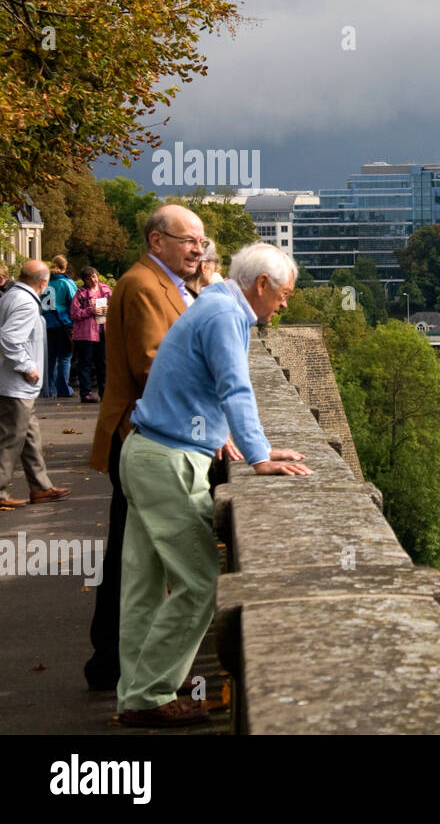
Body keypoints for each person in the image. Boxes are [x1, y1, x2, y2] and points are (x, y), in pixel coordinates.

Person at [116, 243, 311, 727]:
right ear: (261, 285)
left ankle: (139, 689)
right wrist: (260, 455)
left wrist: (225, 434)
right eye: (283, 294)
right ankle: (151, 694)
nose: (284, 305)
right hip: (169, 461)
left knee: (144, 586)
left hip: (146, 450)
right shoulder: (226, 314)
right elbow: (234, 386)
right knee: (201, 582)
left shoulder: (214, 303)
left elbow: (194, 382)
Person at [83, 204, 209, 691]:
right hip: (142, 434)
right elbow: (155, 365)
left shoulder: (167, 284)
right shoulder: (142, 286)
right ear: (157, 241)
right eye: (187, 240)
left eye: (201, 241)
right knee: (134, 559)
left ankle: (112, 660)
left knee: (133, 557)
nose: (198, 248)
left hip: (150, 433)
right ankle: (116, 662)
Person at [0, 261, 72, 507]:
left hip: (13, 384)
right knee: (11, 438)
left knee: (29, 436)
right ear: (43, 282)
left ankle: (40, 486)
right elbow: (10, 339)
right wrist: (27, 367)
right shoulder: (26, 302)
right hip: (15, 384)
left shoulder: (13, 296)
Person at [70, 266, 112, 403]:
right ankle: (86, 393)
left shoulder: (106, 290)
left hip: (103, 332)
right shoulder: (81, 293)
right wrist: (90, 311)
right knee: (85, 364)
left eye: (94, 276)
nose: (93, 280)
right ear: (85, 280)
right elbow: (74, 314)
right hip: (85, 334)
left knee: (103, 364)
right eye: (89, 278)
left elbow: (116, 306)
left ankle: (105, 392)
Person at [40, 254, 78, 398]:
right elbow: (75, 303)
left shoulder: (45, 283)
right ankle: (64, 389)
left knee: (50, 359)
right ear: (65, 267)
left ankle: (50, 389)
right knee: (64, 357)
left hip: (46, 323)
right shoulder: (66, 283)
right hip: (63, 323)